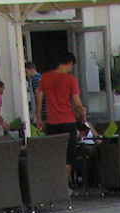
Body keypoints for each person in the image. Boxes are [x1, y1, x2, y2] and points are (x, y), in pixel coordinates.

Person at [36, 51, 88, 181]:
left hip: (52, 122)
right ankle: (65, 185)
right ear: (69, 63)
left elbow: (39, 98)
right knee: (68, 156)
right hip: (68, 121)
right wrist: (83, 115)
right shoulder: (70, 80)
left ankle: (56, 185)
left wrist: (39, 118)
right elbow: (77, 103)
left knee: (55, 154)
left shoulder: (45, 77)